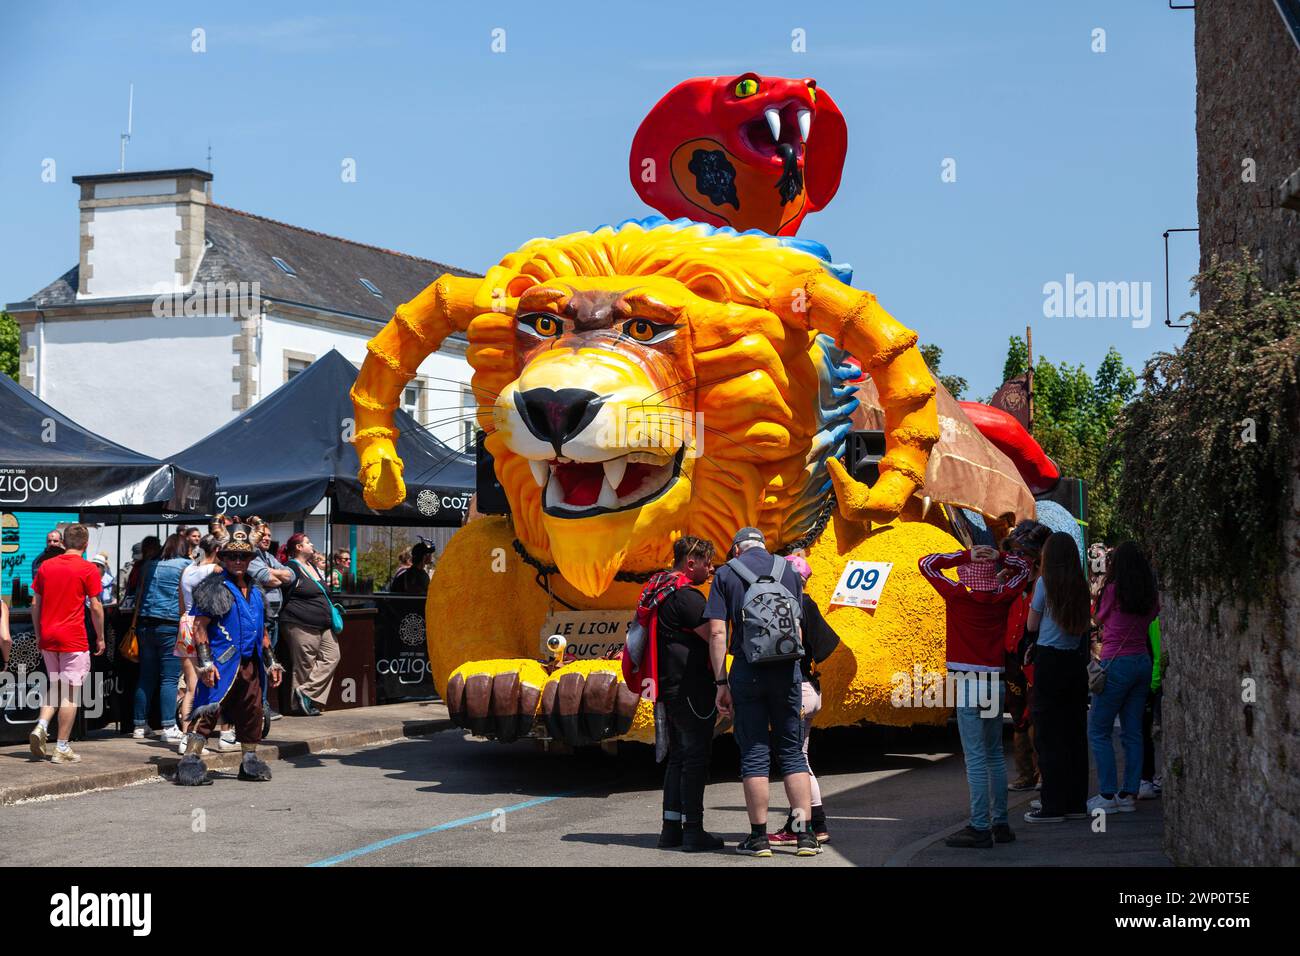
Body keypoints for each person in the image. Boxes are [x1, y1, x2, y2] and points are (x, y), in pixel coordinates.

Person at [704, 527, 819, 858]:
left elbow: (716, 633)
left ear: (737, 549)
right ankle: (804, 836)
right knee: (792, 752)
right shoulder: (789, 569)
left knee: (754, 753)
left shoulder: (726, 574)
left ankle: (759, 839)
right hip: (787, 670)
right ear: (764, 547)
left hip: (748, 671)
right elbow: (796, 627)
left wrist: (720, 682)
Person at [919, 541, 1032, 848]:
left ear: (966, 574)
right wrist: (1002, 556)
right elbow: (1025, 568)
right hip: (995, 680)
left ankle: (979, 826)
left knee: (975, 758)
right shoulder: (1003, 596)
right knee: (995, 754)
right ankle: (1001, 823)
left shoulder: (957, 595)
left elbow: (926, 563)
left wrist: (967, 554)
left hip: (967, 682)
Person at [176, 523, 284, 785]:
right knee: (208, 710)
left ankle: (249, 761)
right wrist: (205, 663)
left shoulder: (257, 590)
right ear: (222, 558)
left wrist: (271, 662)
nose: (238, 561)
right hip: (221, 663)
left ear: (250, 559)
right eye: (232, 556)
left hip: (251, 662)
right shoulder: (215, 586)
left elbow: (263, 630)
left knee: (252, 711)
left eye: (244, 556)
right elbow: (199, 627)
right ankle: (189, 762)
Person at [650, 536, 724, 852]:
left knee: (678, 757)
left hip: (668, 685)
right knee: (696, 758)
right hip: (692, 689)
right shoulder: (686, 597)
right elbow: (713, 635)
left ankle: (670, 829)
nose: (711, 569)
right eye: (707, 563)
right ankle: (693, 830)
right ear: (690, 562)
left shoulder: (658, 589)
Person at [768, 554, 841, 846]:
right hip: (811, 688)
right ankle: (811, 824)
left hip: (795, 690)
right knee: (801, 760)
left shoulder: (786, 605)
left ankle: (805, 826)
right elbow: (827, 646)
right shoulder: (808, 604)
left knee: (795, 763)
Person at [1023, 531, 1093, 824]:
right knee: (1074, 734)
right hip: (1075, 664)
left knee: (1048, 735)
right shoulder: (1081, 586)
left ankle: (1052, 804)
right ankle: (1076, 801)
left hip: (1050, 661)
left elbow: (1032, 624)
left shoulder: (1044, 583)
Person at [1086, 541, 1160, 814]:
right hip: (1142, 661)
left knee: (1099, 729)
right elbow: (1154, 614)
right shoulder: (1150, 595)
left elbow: (1099, 617)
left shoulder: (1113, 590)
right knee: (1133, 731)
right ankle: (1128, 793)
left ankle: (1107, 795)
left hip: (1116, 662)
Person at [29, 524, 105, 764]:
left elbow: (34, 604)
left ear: (63, 542)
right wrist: (101, 636)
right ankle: (61, 746)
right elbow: (95, 606)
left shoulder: (46, 566)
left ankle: (41, 725)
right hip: (73, 637)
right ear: (85, 544)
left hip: (48, 636)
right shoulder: (88, 568)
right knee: (70, 693)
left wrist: (39, 633)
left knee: (56, 686)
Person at [1000, 520, 1051, 791]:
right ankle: (1025, 773)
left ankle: (1044, 773)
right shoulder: (1009, 582)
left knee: (1037, 717)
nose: (1017, 559)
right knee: (1018, 716)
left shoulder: (1045, 584)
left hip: (1035, 657)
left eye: (1023, 553)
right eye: (1014, 553)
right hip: (1011, 657)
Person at [131, 533, 191, 743]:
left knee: (146, 676)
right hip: (170, 623)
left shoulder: (150, 565)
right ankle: (168, 725)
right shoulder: (186, 565)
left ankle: (139, 724)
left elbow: (138, 592)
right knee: (169, 678)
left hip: (145, 624)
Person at [174, 535, 228, 752]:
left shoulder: (187, 569)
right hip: (204, 626)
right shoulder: (215, 570)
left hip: (185, 623)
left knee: (190, 685)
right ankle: (220, 735)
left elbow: (180, 603)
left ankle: (185, 738)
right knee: (213, 683)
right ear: (216, 550)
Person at [277, 533, 341, 717]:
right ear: (298, 547)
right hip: (299, 622)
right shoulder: (290, 568)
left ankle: (306, 692)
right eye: (307, 542)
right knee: (305, 664)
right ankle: (300, 707)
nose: (311, 544)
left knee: (332, 657)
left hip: (324, 624)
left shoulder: (311, 566)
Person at [247, 518, 292, 722]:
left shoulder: (267, 556)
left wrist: (275, 574)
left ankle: (263, 705)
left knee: (268, 665)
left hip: (273, 618)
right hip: (260, 619)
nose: (266, 538)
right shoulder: (250, 555)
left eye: (268, 536)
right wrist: (276, 576)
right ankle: (259, 707)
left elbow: (290, 576)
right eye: (262, 535)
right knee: (259, 664)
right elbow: (268, 579)